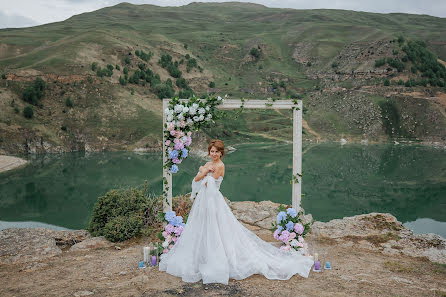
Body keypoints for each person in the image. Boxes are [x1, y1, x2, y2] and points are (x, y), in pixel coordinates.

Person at [159, 139, 314, 284]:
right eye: (211, 151)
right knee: (202, 226)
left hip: (213, 200)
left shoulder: (220, 166)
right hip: (203, 201)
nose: (214, 154)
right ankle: (202, 257)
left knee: (217, 228)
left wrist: (203, 171)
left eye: (216, 152)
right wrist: (204, 170)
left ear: (221, 153)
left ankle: (219, 258)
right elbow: (198, 179)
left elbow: (208, 183)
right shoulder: (208, 164)